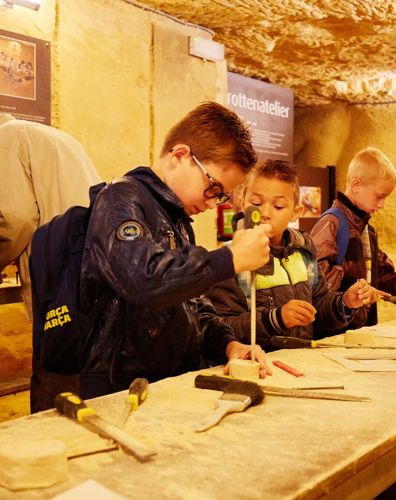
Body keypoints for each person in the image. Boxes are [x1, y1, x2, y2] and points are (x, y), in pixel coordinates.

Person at [51, 101, 273, 403]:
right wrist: (229, 257)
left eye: (220, 197)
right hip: (119, 389)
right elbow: (142, 278)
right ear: (180, 156)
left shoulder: (177, 221)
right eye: (213, 187)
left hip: (165, 383)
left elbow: (194, 306)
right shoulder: (120, 200)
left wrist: (228, 345)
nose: (211, 203)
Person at [207, 159, 372, 349]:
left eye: (278, 206)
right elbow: (219, 328)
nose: (265, 213)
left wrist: (344, 302)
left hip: (299, 363)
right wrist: (275, 319)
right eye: (256, 203)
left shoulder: (303, 249)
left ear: (296, 212)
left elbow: (318, 305)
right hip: (258, 367)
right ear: (243, 204)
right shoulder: (229, 259)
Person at [310, 147, 396, 329]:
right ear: (356, 185)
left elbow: (383, 275)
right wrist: (352, 286)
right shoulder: (332, 222)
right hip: (335, 329)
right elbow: (313, 278)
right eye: (379, 196)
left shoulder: (366, 230)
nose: (382, 205)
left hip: (362, 328)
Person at [0, 113, 102, 319]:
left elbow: (16, 220)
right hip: (93, 253)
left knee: (57, 343)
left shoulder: (5, 139)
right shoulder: (55, 135)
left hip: (57, 263)